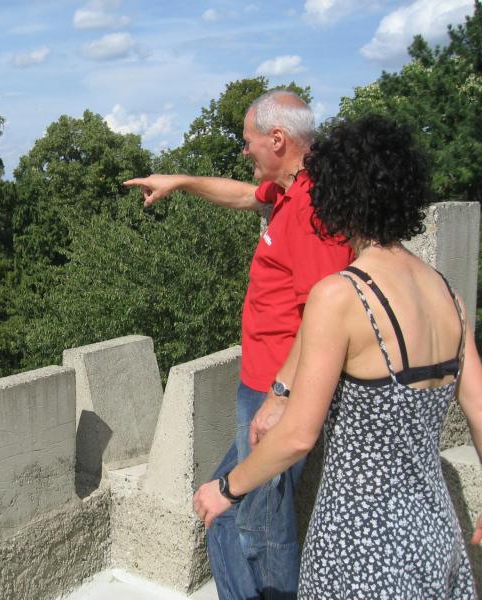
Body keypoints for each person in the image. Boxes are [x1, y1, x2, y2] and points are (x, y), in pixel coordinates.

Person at [193, 114, 482, 598]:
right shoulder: (446, 294)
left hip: (360, 543)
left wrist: (226, 488)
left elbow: (297, 436)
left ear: (337, 196)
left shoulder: (342, 295)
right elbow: (478, 406)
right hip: (436, 534)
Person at [125, 90, 353, 599]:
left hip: (277, 392)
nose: (245, 150)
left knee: (258, 527)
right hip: (263, 385)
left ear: (278, 139)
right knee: (228, 511)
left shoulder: (312, 208)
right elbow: (244, 195)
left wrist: (280, 396)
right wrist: (180, 181)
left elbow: (324, 316)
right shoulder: (290, 192)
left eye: (249, 141)